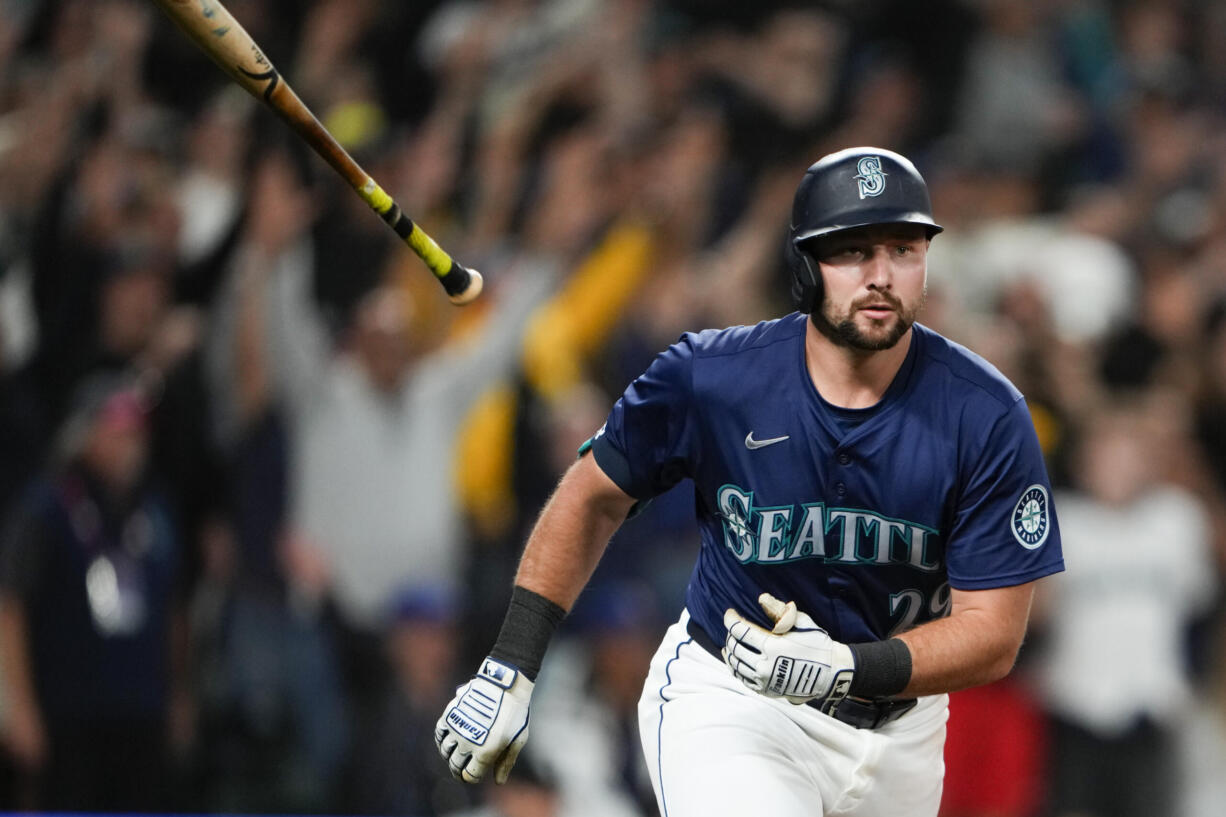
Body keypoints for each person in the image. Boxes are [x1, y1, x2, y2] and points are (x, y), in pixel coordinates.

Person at [434, 147, 1066, 817]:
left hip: (901, 736)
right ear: (803, 266)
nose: (881, 275)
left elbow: (994, 633)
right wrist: (510, 664)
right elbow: (591, 497)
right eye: (852, 251)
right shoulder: (712, 376)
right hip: (735, 701)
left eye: (904, 249)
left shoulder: (985, 412)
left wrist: (848, 665)